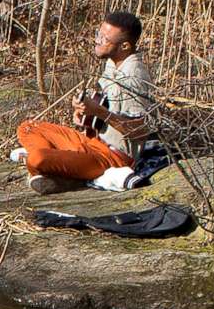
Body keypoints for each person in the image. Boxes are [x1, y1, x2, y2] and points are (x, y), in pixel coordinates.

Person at [11, 11, 156, 194]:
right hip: (91, 141)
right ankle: (58, 167)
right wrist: (85, 114)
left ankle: (53, 170)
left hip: (111, 157)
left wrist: (100, 112)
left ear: (125, 46)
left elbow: (140, 131)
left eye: (104, 39)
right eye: (98, 34)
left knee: (36, 158)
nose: (97, 40)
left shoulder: (134, 77)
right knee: (28, 127)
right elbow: (106, 106)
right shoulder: (113, 61)